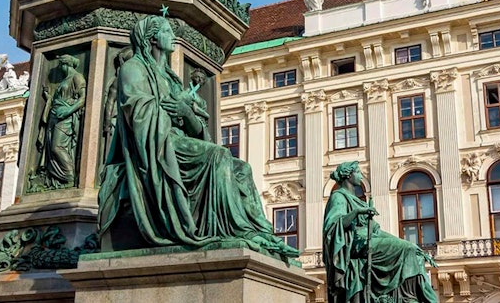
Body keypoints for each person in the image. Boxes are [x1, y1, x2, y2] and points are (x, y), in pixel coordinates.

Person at [98, 15, 297, 261]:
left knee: (242, 169)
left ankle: (260, 232)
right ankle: (236, 229)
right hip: (159, 143)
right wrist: (170, 112)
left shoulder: (170, 77)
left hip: (176, 140)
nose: (173, 36)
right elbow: (138, 114)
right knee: (219, 154)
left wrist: (185, 113)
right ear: (153, 39)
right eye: (168, 32)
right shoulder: (133, 68)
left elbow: (196, 126)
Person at [323, 162, 437, 303]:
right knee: (406, 250)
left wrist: (406, 243)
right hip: (356, 243)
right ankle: (407, 296)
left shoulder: (357, 200)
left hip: (371, 238)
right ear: (348, 175)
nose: (361, 175)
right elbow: (334, 224)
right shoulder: (338, 197)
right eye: (358, 172)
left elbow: (376, 230)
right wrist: (357, 212)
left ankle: (414, 297)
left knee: (411, 251)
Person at [35, 55, 87, 188]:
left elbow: (82, 99)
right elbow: (59, 99)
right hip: (55, 116)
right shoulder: (66, 79)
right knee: (52, 148)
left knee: (57, 147)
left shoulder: (77, 77)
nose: (59, 68)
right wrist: (49, 98)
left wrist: (68, 110)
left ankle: (69, 176)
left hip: (65, 117)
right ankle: (59, 177)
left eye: (60, 65)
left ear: (66, 64)